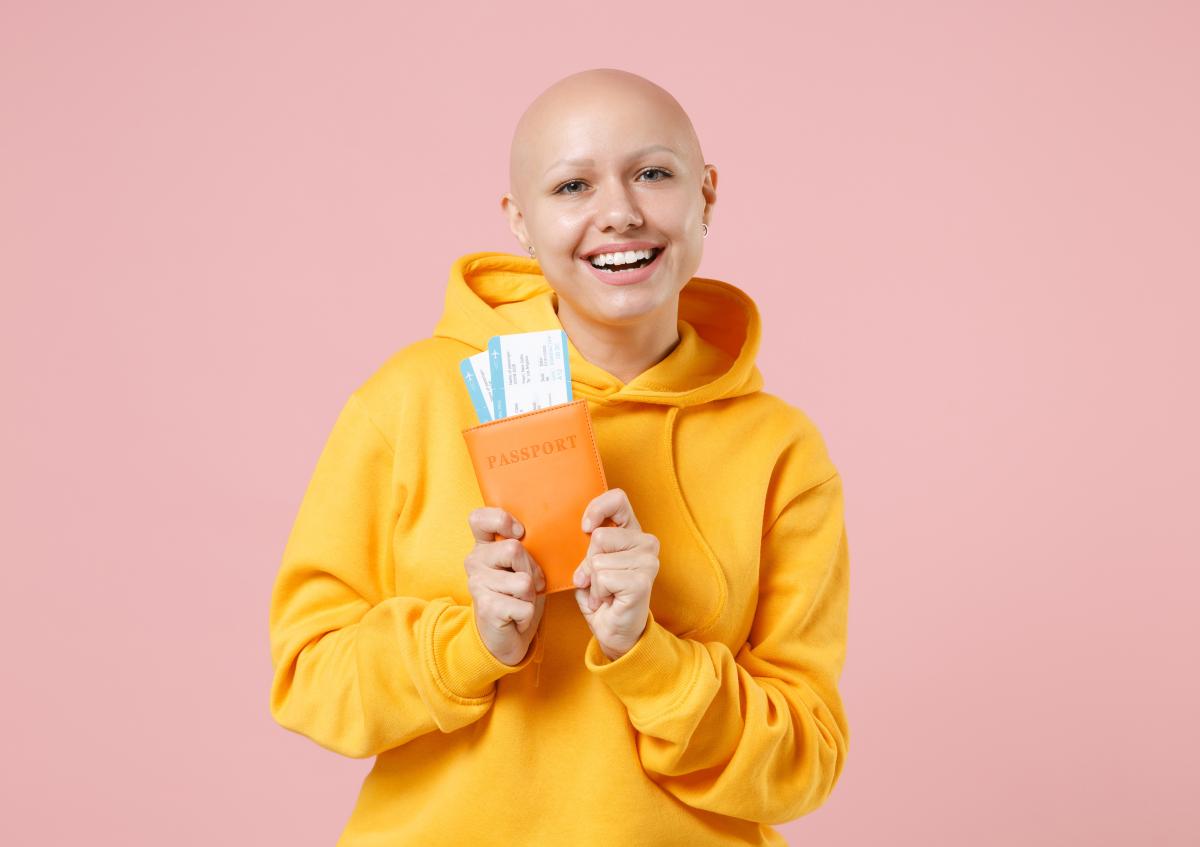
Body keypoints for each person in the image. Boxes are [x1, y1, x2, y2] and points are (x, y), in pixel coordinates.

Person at [268, 67, 851, 846]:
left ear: (707, 194)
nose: (619, 212)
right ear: (519, 220)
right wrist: (470, 643)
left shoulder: (781, 450)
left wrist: (649, 656)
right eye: (573, 186)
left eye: (653, 173)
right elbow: (308, 677)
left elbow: (804, 760)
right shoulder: (410, 399)